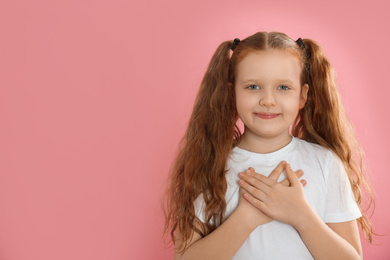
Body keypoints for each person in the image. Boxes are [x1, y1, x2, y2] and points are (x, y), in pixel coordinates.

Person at [162, 31, 375, 259]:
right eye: (253, 87)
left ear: (303, 96)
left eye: (283, 87)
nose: (268, 100)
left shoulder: (325, 163)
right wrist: (246, 217)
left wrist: (301, 216)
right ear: (230, 92)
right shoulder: (210, 163)